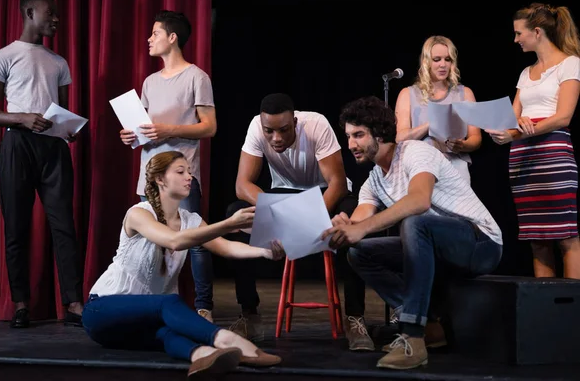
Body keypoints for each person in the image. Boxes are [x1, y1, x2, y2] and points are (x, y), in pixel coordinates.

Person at [322, 96, 502, 370]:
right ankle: (430, 324)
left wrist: (361, 228)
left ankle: (412, 337)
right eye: (348, 136)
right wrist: (344, 226)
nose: (351, 145)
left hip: (480, 243)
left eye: (358, 135)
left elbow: (420, 201)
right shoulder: (373, 181)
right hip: (436, 247)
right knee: (359, 253)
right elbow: (359, 220)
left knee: (414, 221)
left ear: (380, 134)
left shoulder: (416, 152)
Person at [82, 151, 283, 379]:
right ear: (160, 179)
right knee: (169, 303)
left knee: (168, 333)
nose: (189, 177)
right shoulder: (138, 214)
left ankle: (202, 355)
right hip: (101, 312)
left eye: (190, 171)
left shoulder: (190, 220)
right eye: (180, 172)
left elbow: (226, 248)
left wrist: (264, 252)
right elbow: (174, 241)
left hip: (134, 325)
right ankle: (229, 341)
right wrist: (228, 223)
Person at [225, 92, 374, 351]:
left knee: (351, 222)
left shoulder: (316, 125)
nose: (276, 138)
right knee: (235, 215)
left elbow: (337, 184)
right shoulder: (255, 127)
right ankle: (249, 314)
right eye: (269, 131)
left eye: (283, 130)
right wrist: (277, 211)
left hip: (325, 193)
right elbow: (242, 185)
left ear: (294, 122)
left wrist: (306, 220)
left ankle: (355, 318)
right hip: (286, 194)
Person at [0, 0, 84, 328]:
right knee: (16, 227)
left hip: (54, 148)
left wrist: (70, 128)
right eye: (49, 13)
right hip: (17, 145)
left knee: (64, 226)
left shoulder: (59, 62)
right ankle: (21, 303)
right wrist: (22, 117)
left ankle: (73, 303)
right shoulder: (4, 56)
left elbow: (63, 111)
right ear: (29, 14)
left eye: (57, 14)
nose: (56, 19)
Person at [119, 10, 217, 321]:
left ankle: (204, 307)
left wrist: (169, 130)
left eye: (155, 33)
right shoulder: (149, 82)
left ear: (172, 37)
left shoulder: (196, 77)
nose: (149, 39)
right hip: (150, 175)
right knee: (149, 241)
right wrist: (131, 135)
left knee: (195, 240)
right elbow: (146, 129)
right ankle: (150, 303)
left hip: (181, 176)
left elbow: (209, 127)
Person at [487, 3, 580, 279]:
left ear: (536, 32)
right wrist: (504, 133)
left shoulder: (570, 63)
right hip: (523, 161)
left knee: (565, 235)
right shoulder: (525, 73)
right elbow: (512, 120)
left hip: (553, 157)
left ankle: (571, 311)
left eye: (519, 33)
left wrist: (528, 128)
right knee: (537, 238)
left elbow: (563, 117)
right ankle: (546, 314)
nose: (515, 39)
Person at [394, 35, 482, 185]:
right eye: (437, 59)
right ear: (426, 61)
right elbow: (400, 138)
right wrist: (431, 124)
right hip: (420, 166)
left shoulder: (464, 93)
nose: (443, 65)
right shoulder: (408, 94)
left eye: (448, 59)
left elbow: (476, 138)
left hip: (455, 167)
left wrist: (462, 145)